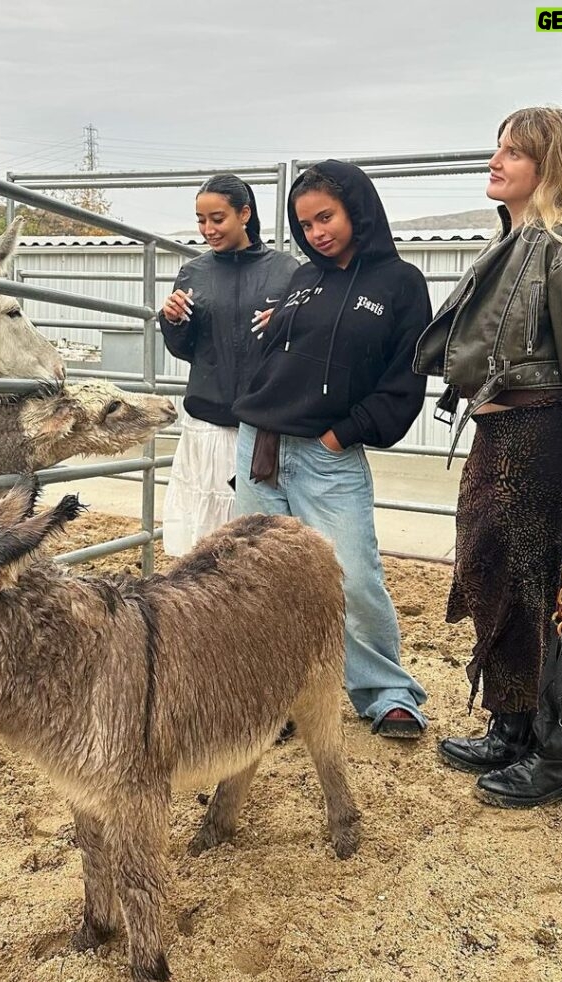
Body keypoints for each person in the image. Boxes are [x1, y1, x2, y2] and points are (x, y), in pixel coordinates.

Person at [413, 106, 562, 807]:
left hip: (541, 443)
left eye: (515, 152)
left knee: (546, 595)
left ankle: (556, 758)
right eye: (497, 148)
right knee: (494, 579)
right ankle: (511, 727)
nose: (496, 160)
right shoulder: (515, 241)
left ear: (551, 165)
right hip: (501, 437)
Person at [232, 161, 432, 739]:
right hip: (262, 446)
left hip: (329, 455)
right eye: (305, 223)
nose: (317, 231)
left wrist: (341, 434)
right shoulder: (302, 279)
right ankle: (276, 701)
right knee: (262, 579)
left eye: (327, 216)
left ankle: (387, 692)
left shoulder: (400, 283)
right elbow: (280, 356)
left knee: (352, 574)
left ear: (357, 210)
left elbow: (404, 381)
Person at [158, 175, 298, 555]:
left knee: (256, 539)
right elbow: (186, 350)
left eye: (217, 219)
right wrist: (172, 321)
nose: (207, 230)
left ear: (245, 214)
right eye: (201, 220)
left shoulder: (285, 271)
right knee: (201, 540)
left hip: (262, 425)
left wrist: (286, 324)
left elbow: (301, 349)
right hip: (207, 423)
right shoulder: (193, 273)